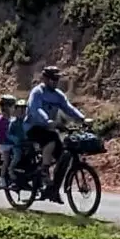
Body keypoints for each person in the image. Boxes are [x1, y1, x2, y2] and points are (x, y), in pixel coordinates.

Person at [26, 66, 86, 200]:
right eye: (53, 79)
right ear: (45, 79)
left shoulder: (58, 95)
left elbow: (68, 108)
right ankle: (44, 170)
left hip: (48, 127)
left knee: (63, 156)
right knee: (52, 138)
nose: (55, 81)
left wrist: (82, 118)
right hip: (33, 127)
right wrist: (46, 119)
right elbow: (36, 109)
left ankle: (52, 190)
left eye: (57, 79)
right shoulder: (37, 92)